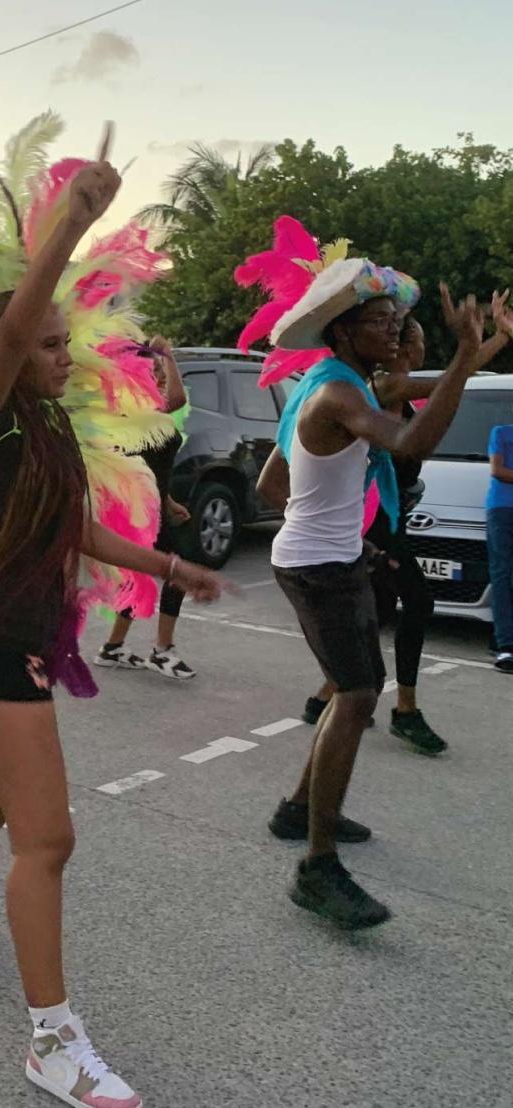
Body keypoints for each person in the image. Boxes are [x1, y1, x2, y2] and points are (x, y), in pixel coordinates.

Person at [0, 159, 225, 1108]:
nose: (61, 355)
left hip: (17, 636)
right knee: (50, 839)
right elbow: (9, 327)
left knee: (7, 806)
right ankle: (52, 1041)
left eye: (63, 343)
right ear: (3, 352)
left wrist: (171, 565)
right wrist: (70, 230)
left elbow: (70, 528)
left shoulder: (44, 427)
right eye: (45, 344)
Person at [256, 274, 483, 929]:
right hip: (318, 568)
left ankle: (300, 810)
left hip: (331, 560)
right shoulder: (334, 390)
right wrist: (466, 357)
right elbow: (412, 443)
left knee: (350, 690)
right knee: (356, 696)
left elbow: (276, 480)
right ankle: (316, 869)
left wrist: (348, 532)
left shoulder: (337, 383)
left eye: (395, 319)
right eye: (380, 320)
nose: (394, 328)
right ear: (342, 331)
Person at [298, 302, 513, 751]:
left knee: (374, 613)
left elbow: (458, 373)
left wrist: (499, 338)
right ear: (403, 349)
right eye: (415, 344)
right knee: (417, 602)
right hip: (373, 521)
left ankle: (325, 698)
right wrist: (484, 343)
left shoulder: (393, 388)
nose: (419, 351)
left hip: (390, 516)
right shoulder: (386, 384)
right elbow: (456, 376)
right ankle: (406, 709)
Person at [96, 336, 195, 678]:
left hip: (152, 505)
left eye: (159, 368)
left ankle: (112, 648)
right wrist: (168, 354)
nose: (160, 374)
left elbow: (149, 463)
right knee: (177, 570)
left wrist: (168, 501)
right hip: (138, 511)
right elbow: (178, 399)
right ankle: (162, 650)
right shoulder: (132, 410)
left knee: (137, 576)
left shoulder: (142, 410)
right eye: (152, 370)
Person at [487, 419, 513, 673]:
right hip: (502, 509)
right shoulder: (502, 432)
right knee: (503, 575)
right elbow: (497, 470)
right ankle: (506, 644)